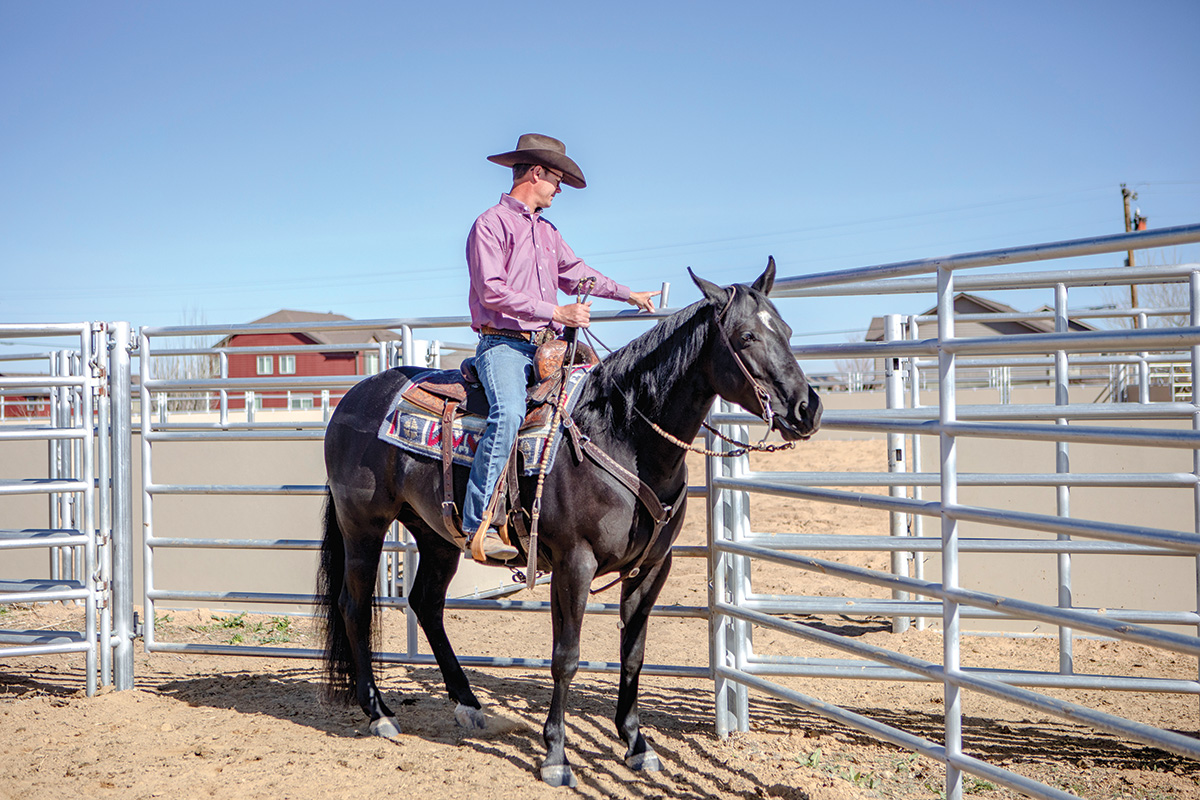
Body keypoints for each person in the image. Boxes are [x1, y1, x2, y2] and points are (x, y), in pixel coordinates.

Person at [463, 133, 660, 560]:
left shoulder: (548, 233)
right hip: (504, 344)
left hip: (546, 346)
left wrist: (628, 294)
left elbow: (578, 273)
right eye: (556, 180)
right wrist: (557, 312)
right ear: (536, 173)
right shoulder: (490, 225)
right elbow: (492, 291)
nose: (559, 190)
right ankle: (477, 523)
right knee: (510, 411)